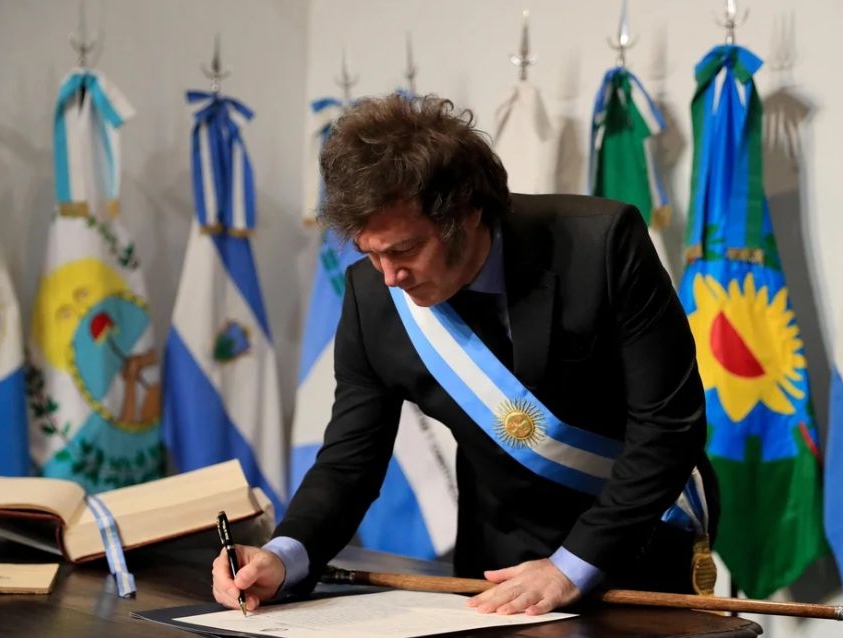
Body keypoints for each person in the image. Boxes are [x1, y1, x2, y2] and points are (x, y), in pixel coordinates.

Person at [212, 94, 719, 616]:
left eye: (404, 249)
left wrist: (571, 566)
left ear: (467, 210)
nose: (390, 277)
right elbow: (350, 461)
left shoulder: (602, 245)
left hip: (636, 545)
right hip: (497, 563)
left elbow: (668, 426)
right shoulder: (371, 297)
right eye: (371, 253)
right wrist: (283, 556)